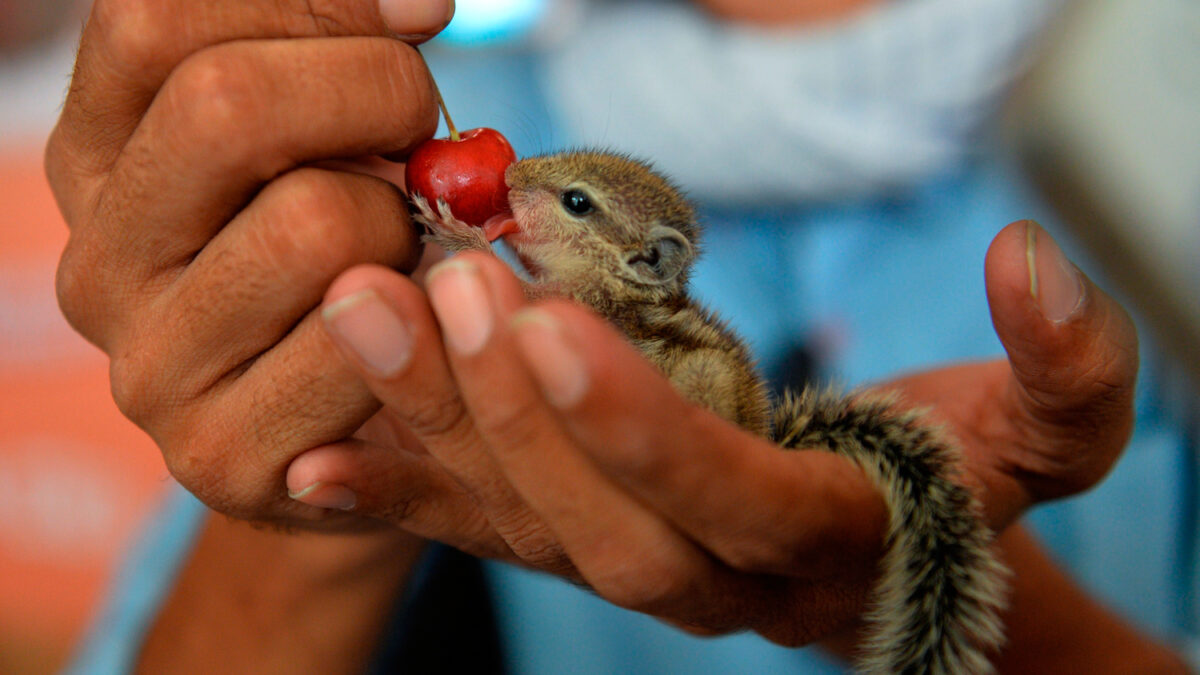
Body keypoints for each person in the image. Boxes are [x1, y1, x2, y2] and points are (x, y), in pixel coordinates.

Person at [48, 0, 1190, 672]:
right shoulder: (417, 111)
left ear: (645, 264)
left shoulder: (1146, 116)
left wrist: (995, 624)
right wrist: (351, 438)